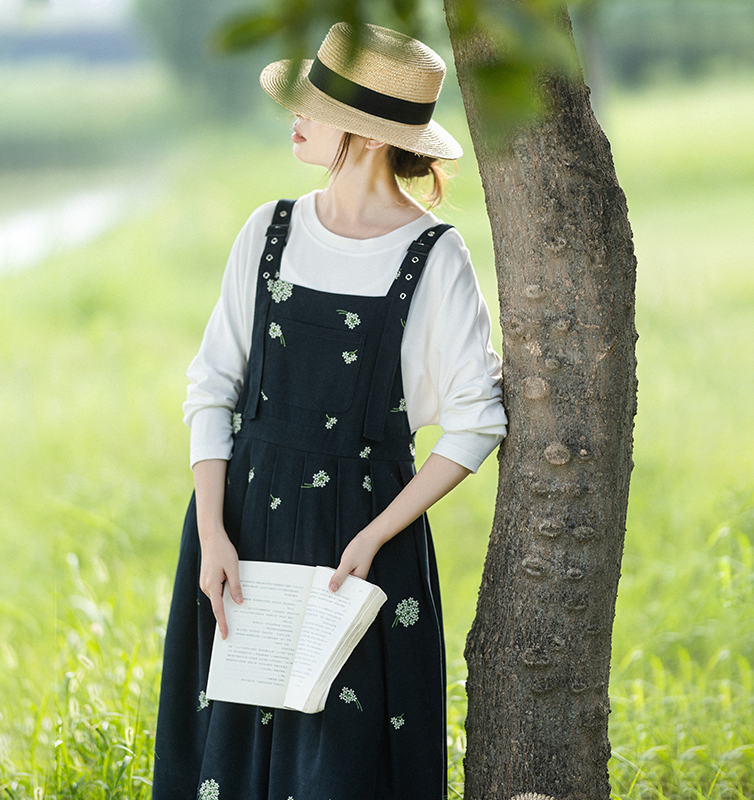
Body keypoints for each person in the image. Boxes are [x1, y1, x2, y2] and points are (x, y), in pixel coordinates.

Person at [152, 21, 507, 800]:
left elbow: (477, 421)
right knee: (231, 761)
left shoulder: (435, 256)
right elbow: (212, 388)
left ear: (371, 136)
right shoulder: (268, 231)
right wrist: (212, 532)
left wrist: (376, 538)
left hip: (361, 550)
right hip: (240, 533)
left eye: (316, 103)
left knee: (341, 768)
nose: (296, 114)